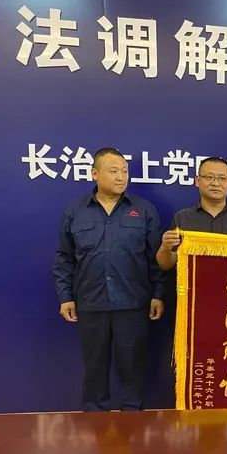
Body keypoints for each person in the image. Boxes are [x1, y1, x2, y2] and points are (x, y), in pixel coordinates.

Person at [53, 147, 165, 411]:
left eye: (124, 171)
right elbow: (65, 257)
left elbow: (157, 258)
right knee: (94, 369)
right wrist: (65, 296)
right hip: (91, 303)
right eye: (113, 171)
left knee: (133, 368)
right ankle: (95, 417)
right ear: (95, 174)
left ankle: (132, 418)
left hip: (133, 303)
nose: (121, 177)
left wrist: (158, 294)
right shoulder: (75, 211)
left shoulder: (144, 210)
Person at [156, 156, 227, 270]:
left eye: (222, 178)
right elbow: (165, 265)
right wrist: (165, 248)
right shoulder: (182, 217)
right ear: (197, 181)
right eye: (209, 177)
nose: (216, 183)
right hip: (193, 281)